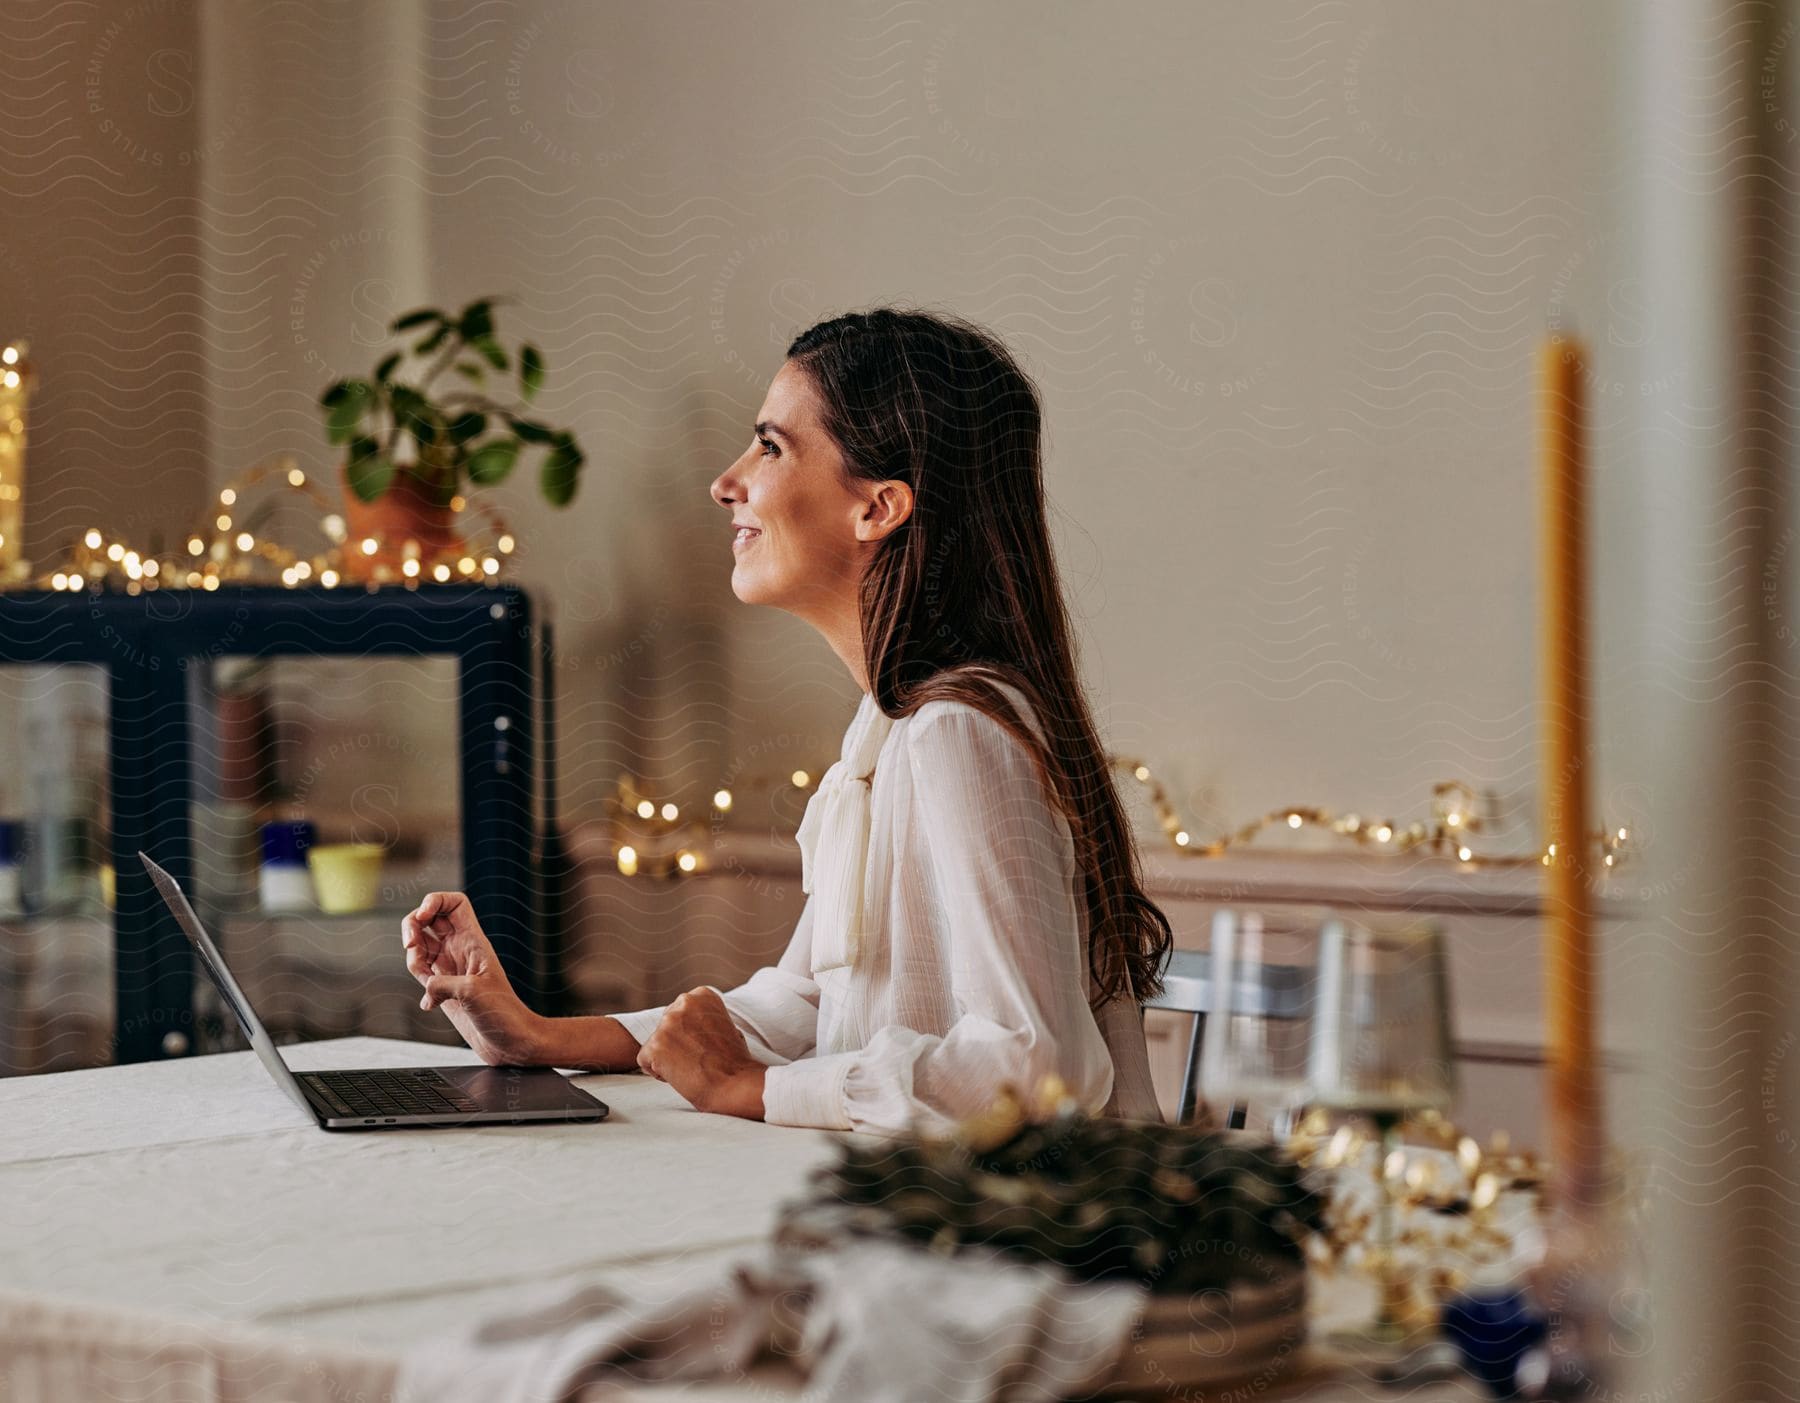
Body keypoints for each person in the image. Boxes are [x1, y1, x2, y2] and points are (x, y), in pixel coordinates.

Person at [401, 307, 1172, 1136]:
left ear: (878, 508)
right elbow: (799, 1002)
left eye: (770, 447)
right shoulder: (889, 730)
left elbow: (1034, 1062)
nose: (725, 481)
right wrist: (533, 1034)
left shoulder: (959, 731)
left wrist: (748, 1089)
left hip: (1014, 1244)